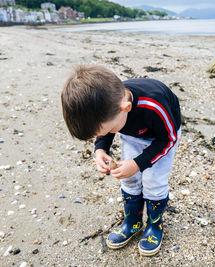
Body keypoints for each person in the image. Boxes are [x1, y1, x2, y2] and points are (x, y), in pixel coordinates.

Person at [61, 65, 181, 256]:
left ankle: (154, 226)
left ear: (126, 108)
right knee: (129, 178)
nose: (107, 134)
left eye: (108, 131)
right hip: (133, 134)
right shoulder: (108, 107)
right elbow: (104, 129)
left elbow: (169, 139)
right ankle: (132, 221)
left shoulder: (153, 106)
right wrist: (100, 148)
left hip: (163, 135)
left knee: (154, 181)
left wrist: (138, 163)